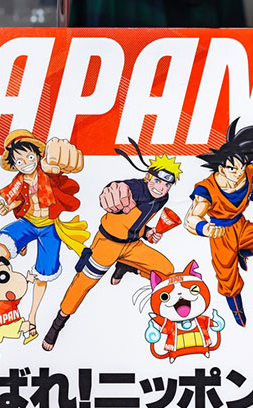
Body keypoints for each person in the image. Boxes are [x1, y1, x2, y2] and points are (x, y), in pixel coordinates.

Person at [42, 139, 182, 351]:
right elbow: (118, 189)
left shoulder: (163, 199)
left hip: (132, 245)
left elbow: (137, 221)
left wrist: (147, 232)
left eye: (167, 184)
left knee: (166, 270)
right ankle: (57, 325)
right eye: (157, 180)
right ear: (147, 176)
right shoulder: (135, 188)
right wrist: (113, 190)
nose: (161, 187)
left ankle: (127, 266)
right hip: (107, 245)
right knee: (82, 285)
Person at [184, 118, 253, 327]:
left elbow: (245, 194)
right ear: (221, 168)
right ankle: (237, 311)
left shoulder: (249, 173)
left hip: (241, 226)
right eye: (232, 169)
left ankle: (243, 252)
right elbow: (190, 219)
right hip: (220, 234)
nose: (239, 174)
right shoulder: (206, 189)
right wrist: (205, 228)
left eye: (242, 167)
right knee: (228, 280)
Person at [0, 129, 90, 344]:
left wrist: (59, 161)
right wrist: (7, 206)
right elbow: (17, 199)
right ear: (14, 164)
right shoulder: (18, 182)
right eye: (19, 161)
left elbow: (62, 172)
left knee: (43, 274)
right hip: (27, 223)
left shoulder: (48, 173)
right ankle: (4, 298)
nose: (26, 163)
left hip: (49, 228)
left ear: (37, 155)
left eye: (29, 157)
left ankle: (32, 317)